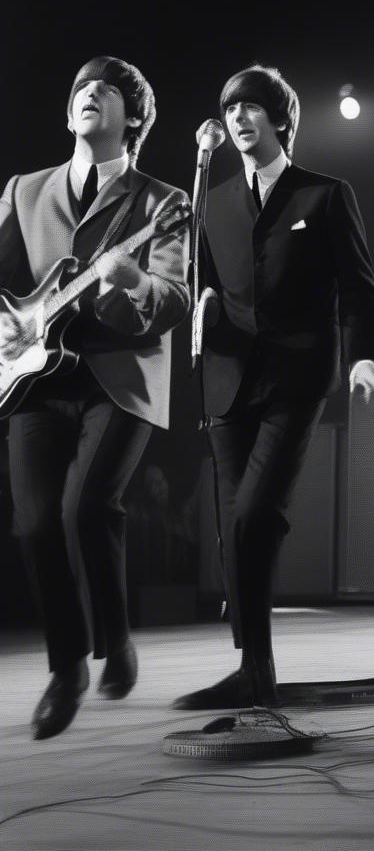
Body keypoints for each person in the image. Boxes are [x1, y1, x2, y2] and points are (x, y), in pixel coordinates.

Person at [173, 65, 374, 710]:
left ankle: (255, 665)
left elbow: (358, 285)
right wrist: (203, 307)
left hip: (297, 377)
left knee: (254, 513)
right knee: (234, 529)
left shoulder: (323, 195)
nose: (240, 118)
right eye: (230, 108)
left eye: (252, 108)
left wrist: (363, 355)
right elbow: (206, 280)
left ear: (280, 120)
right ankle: (253, 663)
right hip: (226, 378)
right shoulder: (210, 199)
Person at [0, 56, 190, 739]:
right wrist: (12, 323)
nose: (87, 95)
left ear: (132, 117)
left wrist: (134, 281)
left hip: (119, 378)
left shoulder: (163, 201)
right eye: (80, 88)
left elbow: (172, 300)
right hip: (32, 380)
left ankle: (103, 645)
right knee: (32, 524)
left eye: (105, 91)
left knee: (87, 507)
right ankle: (72, 663)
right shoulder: (23, 190)